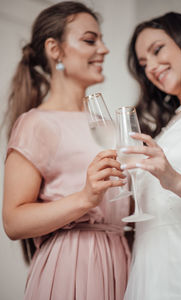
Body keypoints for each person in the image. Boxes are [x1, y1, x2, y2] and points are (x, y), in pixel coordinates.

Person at [2, 2, 131, 299]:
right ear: (55, 49)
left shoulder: (108, 124)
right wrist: (85, 198)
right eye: (90, 40)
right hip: (72, 264)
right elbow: (13, 221)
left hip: (120, 259)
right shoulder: (36, 123)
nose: (104, 49)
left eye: (101, 39)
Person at [121, 12, 181, 300]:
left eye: (157, 50)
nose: (152, 67)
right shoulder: (169, 123)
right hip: (149, 266)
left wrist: (174, 180)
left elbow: (173, 183)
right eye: (143, 64)